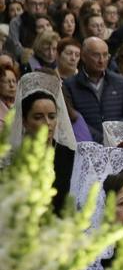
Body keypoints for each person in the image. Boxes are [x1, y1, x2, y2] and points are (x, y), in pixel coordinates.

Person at [11, 72, 78, 211]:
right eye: (38, 117)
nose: (47, 123)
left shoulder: (70, 156)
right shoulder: (14, 159)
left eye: (52, 117)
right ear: (24, 121)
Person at [65, 37, 123, 143]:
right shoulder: (70, 85)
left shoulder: (122, 83)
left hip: (118, 143)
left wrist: (113, 135)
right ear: (83, 56)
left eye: (105, 55)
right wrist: (100, 138)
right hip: (87, 143)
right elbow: (73, 119)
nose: (101, 60)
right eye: (96, 55)